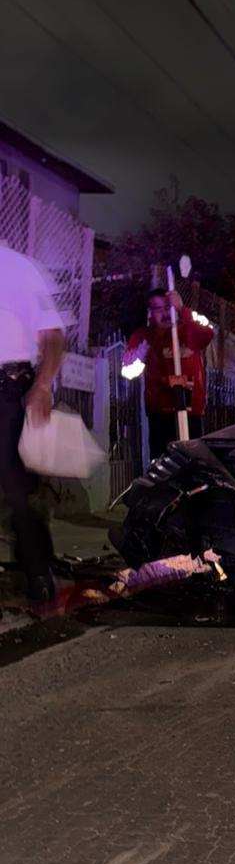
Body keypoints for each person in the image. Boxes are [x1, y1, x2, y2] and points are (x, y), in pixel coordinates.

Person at [0, 243, 65, 605]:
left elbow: (51, 334)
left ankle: (38, 571)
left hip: (8, 389)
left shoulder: (16, 268)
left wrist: (42, 385)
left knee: (17, 487)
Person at [123, 288, 215, 457]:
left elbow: (208, 334)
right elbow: (129, 370)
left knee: (192, 466)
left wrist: (182, 309)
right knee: (163, 465)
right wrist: (164, 379)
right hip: (161, 414)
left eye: (167, 307)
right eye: (158, 309)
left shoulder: (187, 330)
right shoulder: (144, 336)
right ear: (149, 313)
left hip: (191, 413)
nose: (164, 314)